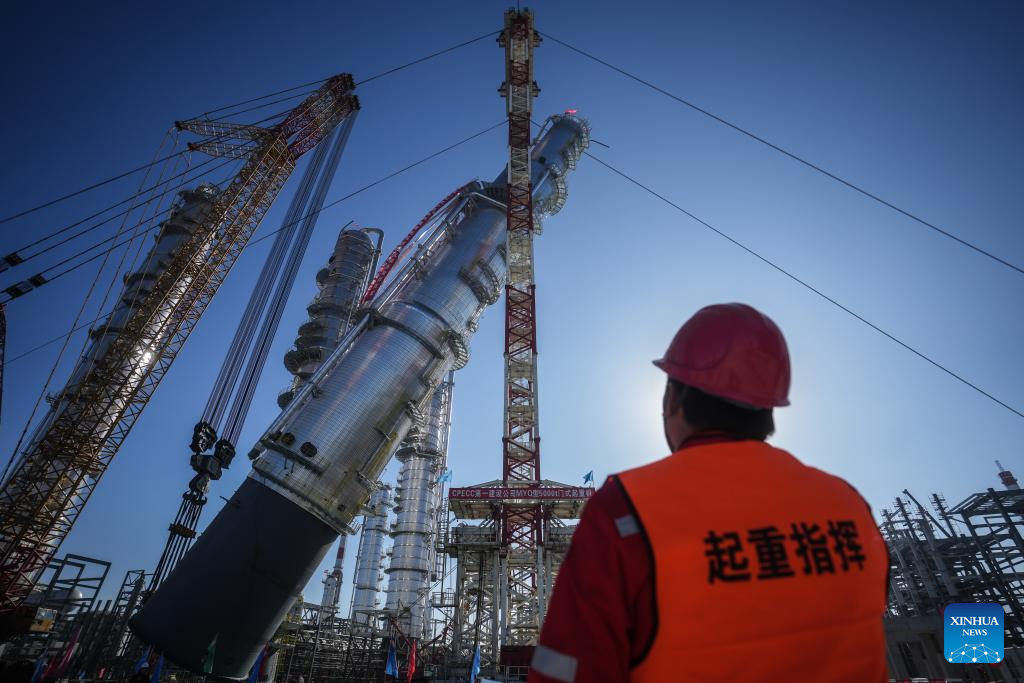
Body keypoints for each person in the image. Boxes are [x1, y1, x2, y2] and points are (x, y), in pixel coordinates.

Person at [529, 303, 889, 682]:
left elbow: (567, 670)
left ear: (672, 400)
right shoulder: (849, 503)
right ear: (768, 407)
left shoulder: (625, 508)